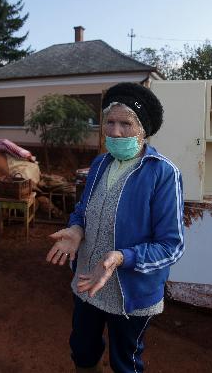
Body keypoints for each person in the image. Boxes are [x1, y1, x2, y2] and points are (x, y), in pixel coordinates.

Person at [46, 82, 185, 373]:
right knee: (82, 351)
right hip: (88, 281)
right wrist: (76, 231)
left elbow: (171, 246)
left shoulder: (163, 173)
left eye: (126, 123)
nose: (115, 131)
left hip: (130, 291)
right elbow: (83, 211)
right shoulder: (100, 164)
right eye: (109, 122)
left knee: (126, 362)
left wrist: (121, 257)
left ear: (144, 129)